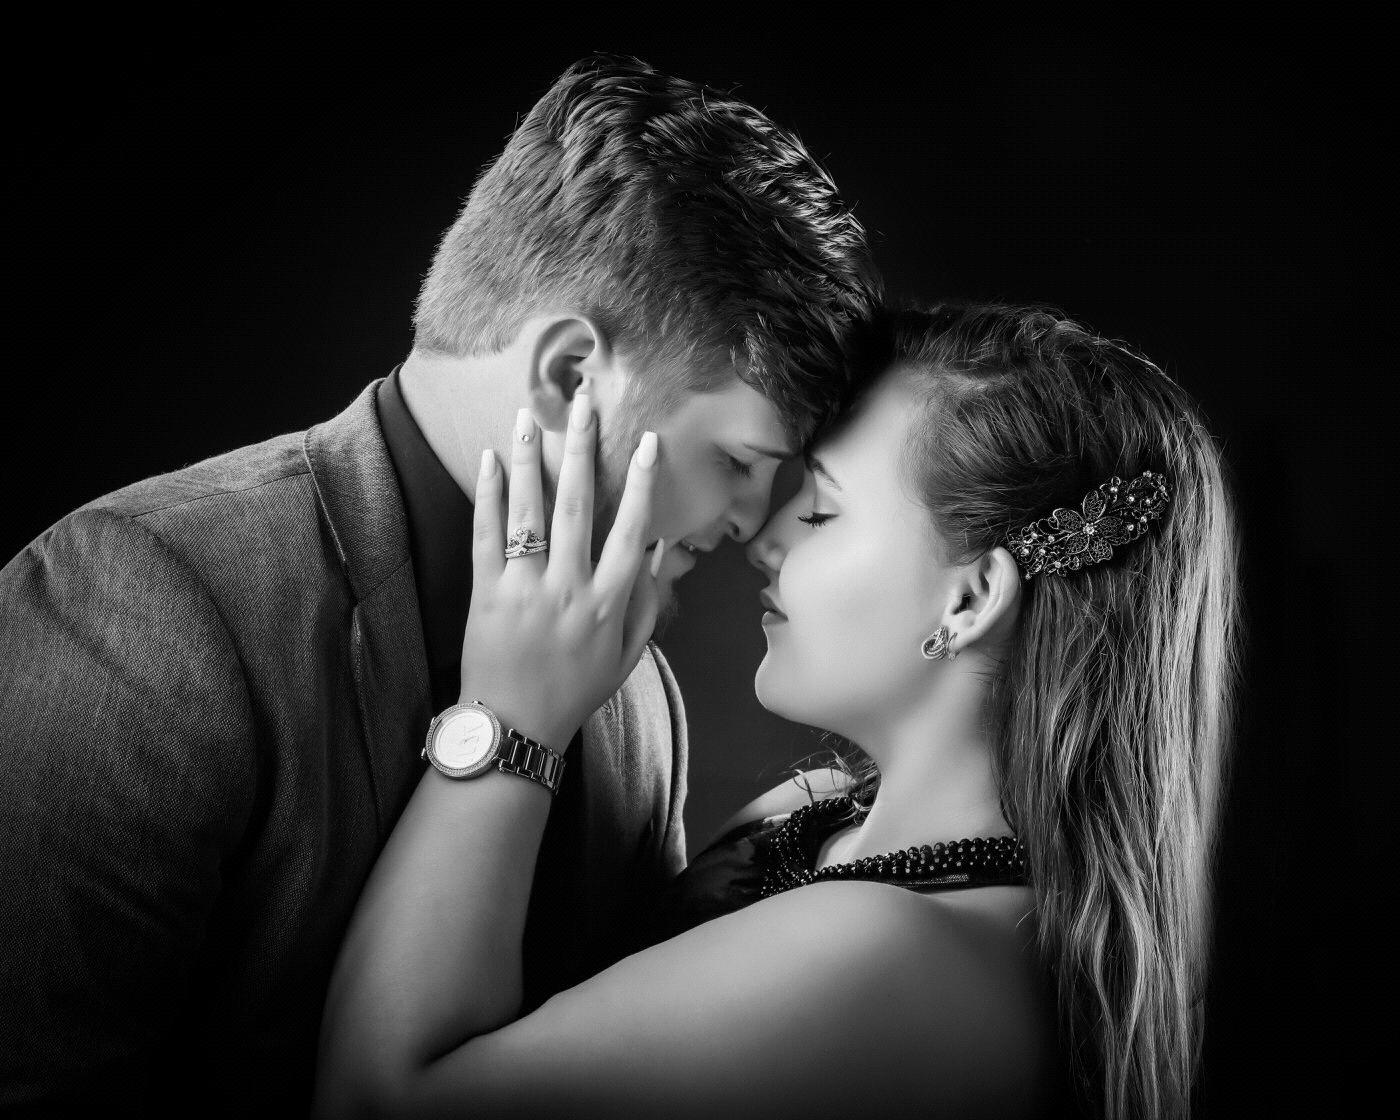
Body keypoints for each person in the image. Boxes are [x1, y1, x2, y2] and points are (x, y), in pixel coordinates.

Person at [0, 55, 877, 1114]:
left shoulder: (643, 696)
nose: (750, 522)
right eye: (738, 460)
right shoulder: (143, 601)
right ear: (568, 375)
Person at [316, 303, 1241, 1119]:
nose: (762, 536)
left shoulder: (880, 954)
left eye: (822, 512)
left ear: (969, 600)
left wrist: (509, 715)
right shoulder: (816, 814)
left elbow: (379, 1104)